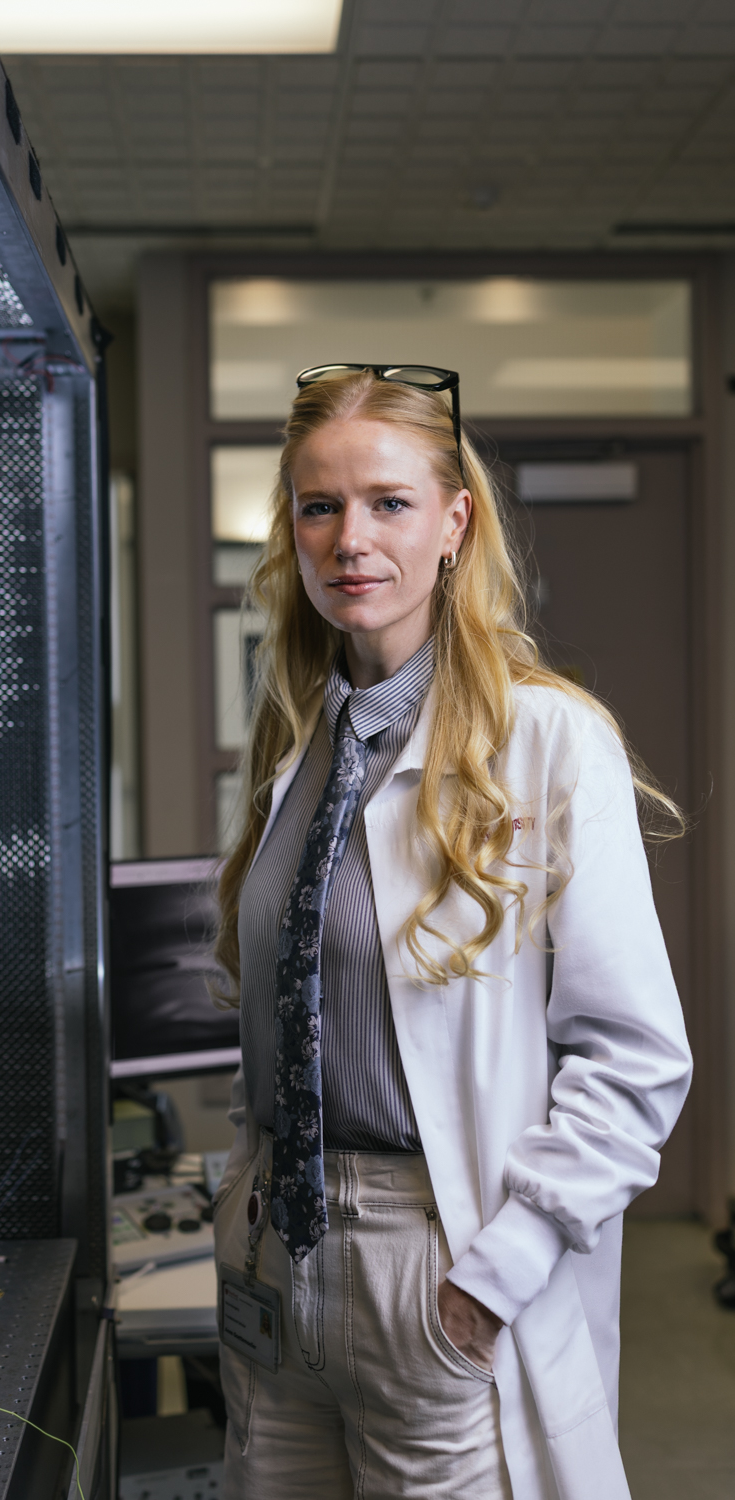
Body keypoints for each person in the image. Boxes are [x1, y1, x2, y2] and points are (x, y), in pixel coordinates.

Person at [211, 364, 693, 1500]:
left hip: (429, 1262)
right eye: (318, 506)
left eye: (387, 503)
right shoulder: (300, 745)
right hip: (278, 1263)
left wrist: (490, 1281)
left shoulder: (545, 741)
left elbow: (633, 1061)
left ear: (454, 522)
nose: (349, 540)